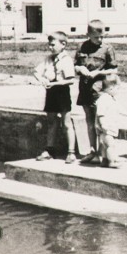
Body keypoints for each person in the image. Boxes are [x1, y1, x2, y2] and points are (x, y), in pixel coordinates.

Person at [74, 20, 118, 164]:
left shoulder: (107, 48)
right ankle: (92, 151)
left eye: (101, 37)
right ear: (88, 34)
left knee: (100, 122)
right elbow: (75, 66)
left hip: (99, 88)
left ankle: (103, 153)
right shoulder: (81, 46)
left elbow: (114, 69)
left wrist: (97, 73)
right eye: (95, 37)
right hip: (85, 88)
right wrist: (81, 69)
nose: (99, 40)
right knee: (89, 121)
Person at [34, 31, 77, 164]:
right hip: (51, 92)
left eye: (53, 45)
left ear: (63, 44)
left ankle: (71, 152)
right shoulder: (48, 59)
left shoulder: (66, 60)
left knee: (66, 123)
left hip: (62, 92)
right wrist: (42, 79)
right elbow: (36, 71)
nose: (50, 47)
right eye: (49, 45)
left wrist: (54, 83)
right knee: (51, 122)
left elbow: (70, 80)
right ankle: (49, 150)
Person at [95, 74, 123, 168]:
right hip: (107, 128)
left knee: (104, 145)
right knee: (111, 145)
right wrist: (103, 124)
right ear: (111, 88)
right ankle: (111, 161)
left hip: (108, 127)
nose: (119, 91)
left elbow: (119, 109)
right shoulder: (104, 99)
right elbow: (100, 113)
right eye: (117, 89)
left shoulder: (110, 98)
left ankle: (104, 160)